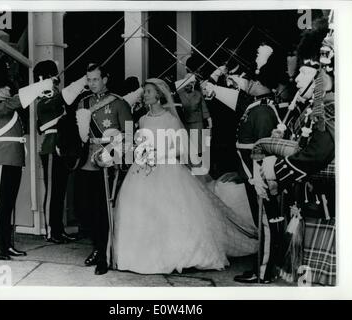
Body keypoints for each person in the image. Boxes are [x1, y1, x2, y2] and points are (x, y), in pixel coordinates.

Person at [111, 78, 258, 274]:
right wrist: (141, 152)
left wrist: (159, 154)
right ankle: (138, 256)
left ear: (158, 96)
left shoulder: (170, 120)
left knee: (171, 211)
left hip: (167, 169)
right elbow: (139, 143)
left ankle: (178, 255)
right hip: (143, 170)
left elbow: (182, 148)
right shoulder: (143, 120)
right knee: (137, 208)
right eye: (144, 91)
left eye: (148, 91)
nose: (144, 95)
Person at [258, 15, 336, 286]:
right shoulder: (314, 106)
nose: (296, 76)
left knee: (320, 283)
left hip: (324, 201)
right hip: (309, 199)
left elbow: (318, 152)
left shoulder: (327, 107)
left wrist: (275, 169)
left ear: (322, 75)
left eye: (305, 71)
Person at [202, 43, 287, 283]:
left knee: (268, 224)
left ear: (261, 84)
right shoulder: (255, 106)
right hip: (251, 174)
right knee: (264, 223)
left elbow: (263, 149)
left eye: (251, 81)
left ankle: (264, 271)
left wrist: (258, 177)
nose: (247, 83)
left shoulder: (262, 111)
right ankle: (264, 266)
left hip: (257, 175)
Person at [0, 59, 54, 260]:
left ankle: (7, 244)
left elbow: (16, 100)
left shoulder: (5, 106)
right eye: (2, 86)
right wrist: (41, 85)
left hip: (14, 157)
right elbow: (18, 100)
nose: (7, 88)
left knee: (8, 204)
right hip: (1, 157)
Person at [75, 63, 133, 275]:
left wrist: (114, 157)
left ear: (105, 79)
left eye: (95, 79)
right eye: (88, 80)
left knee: (103, 211)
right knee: (86, 210)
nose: (91, 84)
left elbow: (128, 135)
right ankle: (97, 247)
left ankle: (104, 254)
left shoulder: (119, 103)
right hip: (87, 162)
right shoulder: (83, 102)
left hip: (109, 161)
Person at [34, 60, 87, 244]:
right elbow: (54, 104)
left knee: (59, 192)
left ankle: (58, 229)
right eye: (52, 75)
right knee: (53, 193)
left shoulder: (53, 92)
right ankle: (51, 231)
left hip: (61, 145)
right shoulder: (45, 94)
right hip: (51, 146)